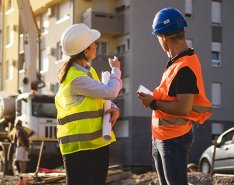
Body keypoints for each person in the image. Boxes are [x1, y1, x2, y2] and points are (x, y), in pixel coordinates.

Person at [137, 7, 212, 185]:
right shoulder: (176, 63)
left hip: (173, 140)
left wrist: (153, 103)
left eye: (157, 37)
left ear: (163, 37)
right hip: (162, 137)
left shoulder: (184, 67)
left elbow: (183, 107)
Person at [55, 23, 122, 185]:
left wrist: (113, 108)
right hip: (79, 148)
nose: (96, 45)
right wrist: (116, 71)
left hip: (97, 144)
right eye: (93, 44)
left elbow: (100, 98)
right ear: (85, 51)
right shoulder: (75, 79)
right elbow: (110, 92)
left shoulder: (89, 72)